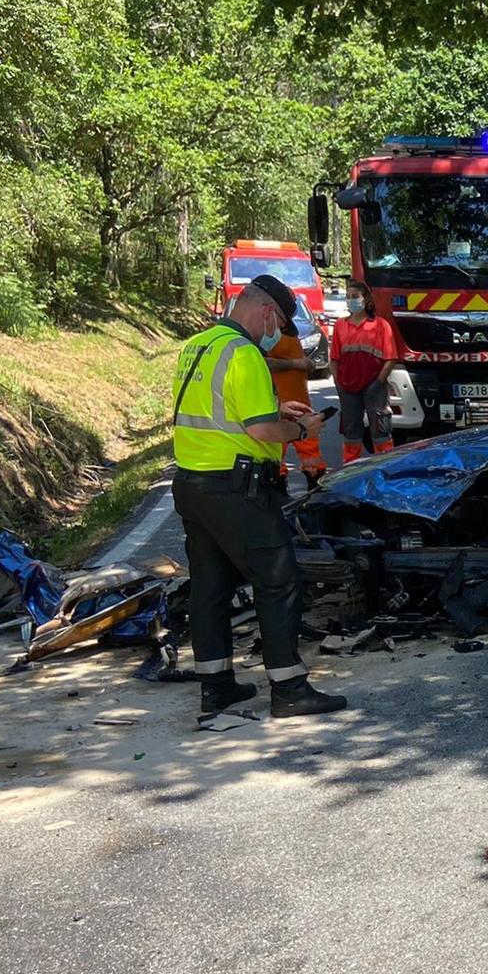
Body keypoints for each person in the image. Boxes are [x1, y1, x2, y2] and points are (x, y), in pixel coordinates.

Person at [171, 274, 347, 719]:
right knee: (278, 580)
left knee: (210, 586)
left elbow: (220, 409)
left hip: (194, 483)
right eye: (280, 325)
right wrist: (299, 428)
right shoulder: (245, 353)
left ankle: (217, 687)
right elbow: (261, 431)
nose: (277, 335)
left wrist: (274, 408)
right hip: (237, 487)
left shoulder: (199, 344)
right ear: (267, 311)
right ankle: (289, 689)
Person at [328, 283, 402, 464]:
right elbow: (334, 359)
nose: (351, 300)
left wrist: (378, 383)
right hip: (347, 386)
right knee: (350, 431)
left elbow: (390, 358)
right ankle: (349, 469)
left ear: (366, 298)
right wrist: (339, 384)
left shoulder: (380, 325)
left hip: (373, 386)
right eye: (349, 296)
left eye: (355, 296)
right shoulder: (340, 325)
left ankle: (386, 467)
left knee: (380, 429)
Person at [265, 309, 318, 499]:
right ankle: (278, 492)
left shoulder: (288, 329)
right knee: (276, 451)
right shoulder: (266, 333)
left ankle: (315, 490)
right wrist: (297, 364)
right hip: (279, 405)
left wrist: (306, 364)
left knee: (310, 452)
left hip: (300, 402)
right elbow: (262, 362)